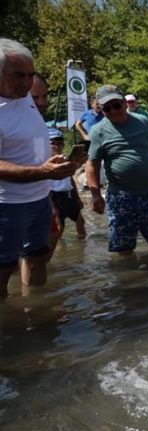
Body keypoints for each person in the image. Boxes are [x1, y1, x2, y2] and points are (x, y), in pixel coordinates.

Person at [0, 38, 79, 295]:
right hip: (7, 205)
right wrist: (43, 172)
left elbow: (29, 141)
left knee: (37, 258)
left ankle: (35, 315)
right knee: (3, 269)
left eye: (30, 74)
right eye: (19, 75)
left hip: (40, 199)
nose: (26, 82)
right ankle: (11, 329)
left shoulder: (27, 97)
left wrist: (55, 168)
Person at [87, 84, 148, 256]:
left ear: (125, 104)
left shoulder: (143, 122)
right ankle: (128, 280)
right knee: (123, 249)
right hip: (121, 197)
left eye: (116, 106)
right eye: (107, 108)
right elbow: (92, 165)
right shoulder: (98, 131)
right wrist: (96, 195)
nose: (113, 111)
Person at [47, 128, 86, 254]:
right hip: (54, 196)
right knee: (59, 227)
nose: (57, 146)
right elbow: (44, 186)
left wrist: (78, 198)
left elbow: (71, 179)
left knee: (80, 221)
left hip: (68, 194)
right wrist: (52, 207)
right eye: (53, 143)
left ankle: (82, 246)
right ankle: (59, 250)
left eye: (60, 143)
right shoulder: (45, 162)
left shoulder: (65, 158)